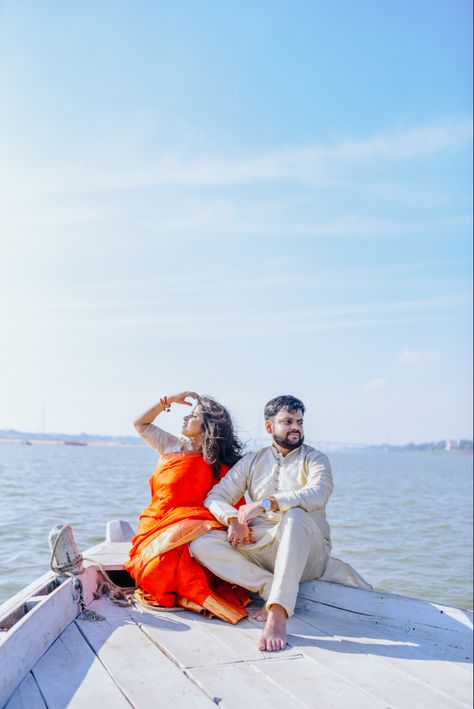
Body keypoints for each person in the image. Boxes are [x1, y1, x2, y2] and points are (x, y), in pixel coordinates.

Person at [189, 394, 333, 651]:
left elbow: (318, 494)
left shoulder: (316, 459)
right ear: (269, 427)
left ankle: (278, 611)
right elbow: (215, 497)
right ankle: (269, 587)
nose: (296, 427)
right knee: (200, 542)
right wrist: (233, 520)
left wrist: (267, 503)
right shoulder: (254, 460)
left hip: (308, 552)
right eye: (287, 421)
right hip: (262, 546)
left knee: (295, 515)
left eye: (299, 421)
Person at [125, 391, 249, 624]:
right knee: (154, 572)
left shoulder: (219, 466)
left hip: (194, 529)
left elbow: (230, 503)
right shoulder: (171, 445)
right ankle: (185, 595)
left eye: (193, 415)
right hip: (154, 526)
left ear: (208, 425)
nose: (184, 419)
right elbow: (140, 423)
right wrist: (168, 400)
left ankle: (189, 595)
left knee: (164, 570)